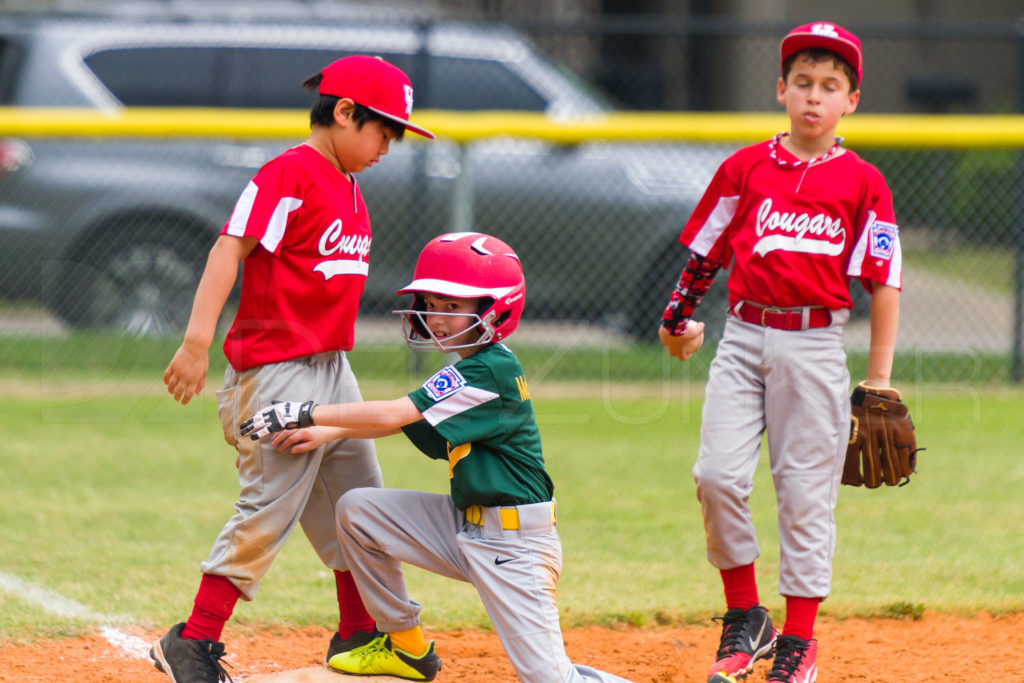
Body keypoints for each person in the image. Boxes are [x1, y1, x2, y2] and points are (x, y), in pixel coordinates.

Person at [151, 55, 435, 683]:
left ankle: (360, 633)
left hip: (332, 369)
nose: (388, 145)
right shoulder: (290, 174)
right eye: (382, 130)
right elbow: (231, 246)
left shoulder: (349, 184)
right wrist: (197, 343)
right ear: (342, 112)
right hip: (277, 371)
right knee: (269, 507)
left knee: (362, 501)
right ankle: (192, 642)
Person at [241, 232, 635, 683]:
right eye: (431, 304)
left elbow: (394, 411)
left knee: (551, 679)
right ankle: (405, 647)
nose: (438, 318)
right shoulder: (470, 366)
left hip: (514, 549)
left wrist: (304, 411)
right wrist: (327, 430)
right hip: (462, 527)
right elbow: (403, 420)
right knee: (357, 510)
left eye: (453, 306)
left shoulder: (490, 369)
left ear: (495, 308)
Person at [658, 22, 902, 683]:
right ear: (780, 90)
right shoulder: (745, 168)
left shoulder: (863, 182)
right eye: (802, 83)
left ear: (852, 99)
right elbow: (705, 251)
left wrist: (878, 383)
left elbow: (884, 285)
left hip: (816, 344)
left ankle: (798, 641)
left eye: (830, 86)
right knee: (716, 476)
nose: (814, 97)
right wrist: (676, 316)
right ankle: (746, 617)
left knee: (804, 496)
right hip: (742, 338)